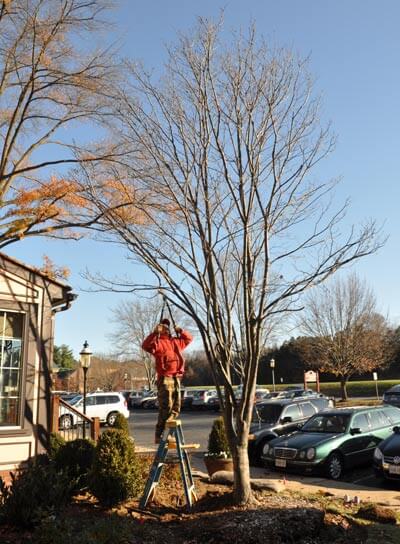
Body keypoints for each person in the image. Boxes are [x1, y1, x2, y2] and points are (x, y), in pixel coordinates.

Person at [142, 318, 193, 443]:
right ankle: (160, 434)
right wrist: (154, 333)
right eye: (164, 326)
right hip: (165, 377)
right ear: (160, 327)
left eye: (168, 326)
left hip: (176, 377)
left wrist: (180, 330)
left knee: (176, 407)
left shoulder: (176, 341)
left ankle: (168, 433)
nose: (166, 327)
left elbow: (188, 339)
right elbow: (145, 346)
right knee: (166, 407)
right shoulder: (157, 342)